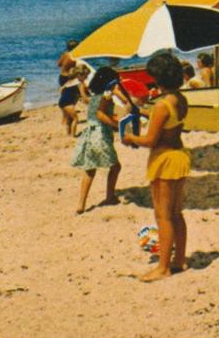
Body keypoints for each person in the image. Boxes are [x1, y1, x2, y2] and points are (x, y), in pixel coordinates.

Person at [122, 53, 190, 282]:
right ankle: (179, 260)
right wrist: (141, 111)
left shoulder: (162, 105)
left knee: (162, 216)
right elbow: (168, 121)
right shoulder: (179, 99)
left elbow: (150, 140)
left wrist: (130, 138)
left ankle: (163, 267)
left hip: (164, 160)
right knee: (176, 213)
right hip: (179, 155)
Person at [70, 66, 122, 214]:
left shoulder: (94, 98)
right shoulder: (106, 98)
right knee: (116, 167)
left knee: (90, 169)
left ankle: (81, 204)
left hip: (89, 135)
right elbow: (102, 116)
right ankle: (110, 196)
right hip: (100, 135)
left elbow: (92, 109)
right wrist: (117, 125)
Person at [58, 64, 90, 135]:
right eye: (86, 76)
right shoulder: (80, 83)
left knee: (69, 119)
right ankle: (73, 135)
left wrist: (66, 95)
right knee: (75, 119)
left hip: (61, 102)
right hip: (68, 103)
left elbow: (61, 89)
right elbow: (84, 96)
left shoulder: (70, 81)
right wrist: (90, 103)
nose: (86, 78)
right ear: (79, 75)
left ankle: (68, 134)